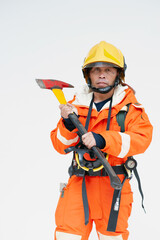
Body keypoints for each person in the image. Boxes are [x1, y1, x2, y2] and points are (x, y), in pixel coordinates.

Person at [50, 41, 153, 240]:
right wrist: (68, 124)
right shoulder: (75, 106)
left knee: (111, 237)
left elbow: (142, 139)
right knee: (66, 236)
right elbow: (59, 145)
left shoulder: (130, 108)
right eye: (96, 70)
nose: (102, 75)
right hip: (78, 185)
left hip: (114, 185)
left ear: (118, 75)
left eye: (108, 70)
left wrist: (103, 139)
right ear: (88, 75)